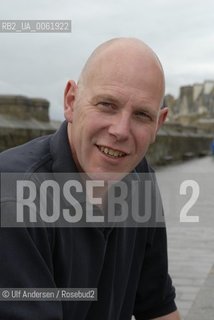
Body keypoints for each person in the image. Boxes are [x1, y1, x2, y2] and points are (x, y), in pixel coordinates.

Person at [0, 37, 180, 319]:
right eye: (107, 105)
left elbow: (158, 308)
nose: (120, 130)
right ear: (71, 101)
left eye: (142, 115)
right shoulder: (13, 196)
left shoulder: (139, 177)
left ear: (158, 124)